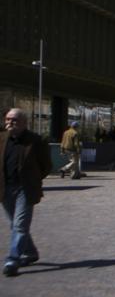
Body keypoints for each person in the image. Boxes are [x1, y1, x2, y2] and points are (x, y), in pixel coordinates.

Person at [2, 108, 52, 277]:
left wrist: (34, 180)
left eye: (14, 120)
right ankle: (30, 253)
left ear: (24, 123)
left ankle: (13, 259)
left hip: (25, 189)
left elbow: (46, 166)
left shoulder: (35, 141)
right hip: (5, 188)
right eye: (8, 119)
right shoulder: (2, 139)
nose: (10, 123)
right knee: (14, 224)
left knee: (20, 224)